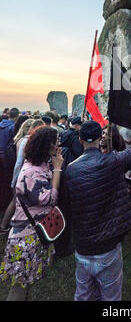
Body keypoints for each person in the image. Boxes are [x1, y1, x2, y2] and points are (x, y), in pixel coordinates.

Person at [64, 120, 131, 301]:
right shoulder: (114, 161)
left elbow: (67, 207)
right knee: (111, 297)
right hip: (108, 245)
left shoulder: (70, 170)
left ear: (80, 139)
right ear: (99, 138)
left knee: (84, 295)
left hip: (83, 245)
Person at [0, 126, 63, 300]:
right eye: (57, 141)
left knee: (28, 282)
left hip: (33, 233)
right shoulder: (32, 172)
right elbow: (50, 198)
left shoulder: (38, 165)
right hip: (26, 237)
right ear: (48, 145)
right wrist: (58, 169)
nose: (59, 144)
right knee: (20, 286)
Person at [54, 116, 84, 258]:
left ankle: (57, 241)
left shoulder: (63, 134)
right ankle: (63, 246)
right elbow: (79, 154)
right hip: (69, 177)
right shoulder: (74, 137)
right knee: (67, 215)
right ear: (78, 125)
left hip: (59, 173)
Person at [0, 108, 20, 210]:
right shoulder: (13, 127)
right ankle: (4, 203)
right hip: (6, 158)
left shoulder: (1, 125)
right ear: (16, 117)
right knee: (6, 182)